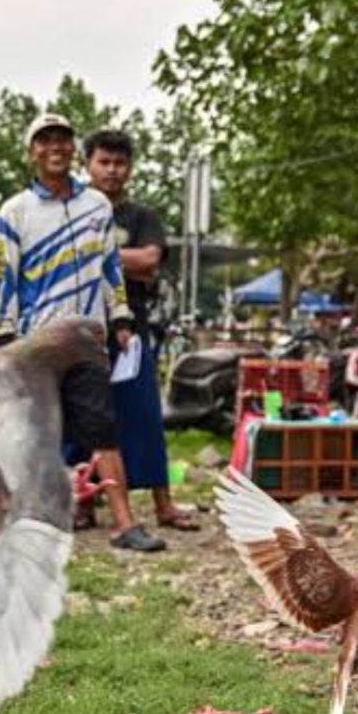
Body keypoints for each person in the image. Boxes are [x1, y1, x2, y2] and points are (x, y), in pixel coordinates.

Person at [0, 112, 165, 553]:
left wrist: (120, 319)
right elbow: (2, 278)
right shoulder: (14, 211)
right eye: (44, 140)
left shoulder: (97, 206)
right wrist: (3, 335)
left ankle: (124, 524)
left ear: (72, 149)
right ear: (32, 151)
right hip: (36, 340)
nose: (55, 147)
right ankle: (20, 521)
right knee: (31, 431)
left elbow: (110, 269)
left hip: (88, 337)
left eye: (62, 139)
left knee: (102, 428)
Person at [83, 127, 197, 531]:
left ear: (130, 168)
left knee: (144, 412)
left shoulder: (142, 216)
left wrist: (93, 255)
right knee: (84, 414)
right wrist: (124, 261)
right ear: (88, 164)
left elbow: (149, 260)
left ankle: (164, 504)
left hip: (132, 328)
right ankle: (83, 502)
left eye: (120, 162)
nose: (112, 170)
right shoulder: (75, 210)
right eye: (104, 161)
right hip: (83, 325)